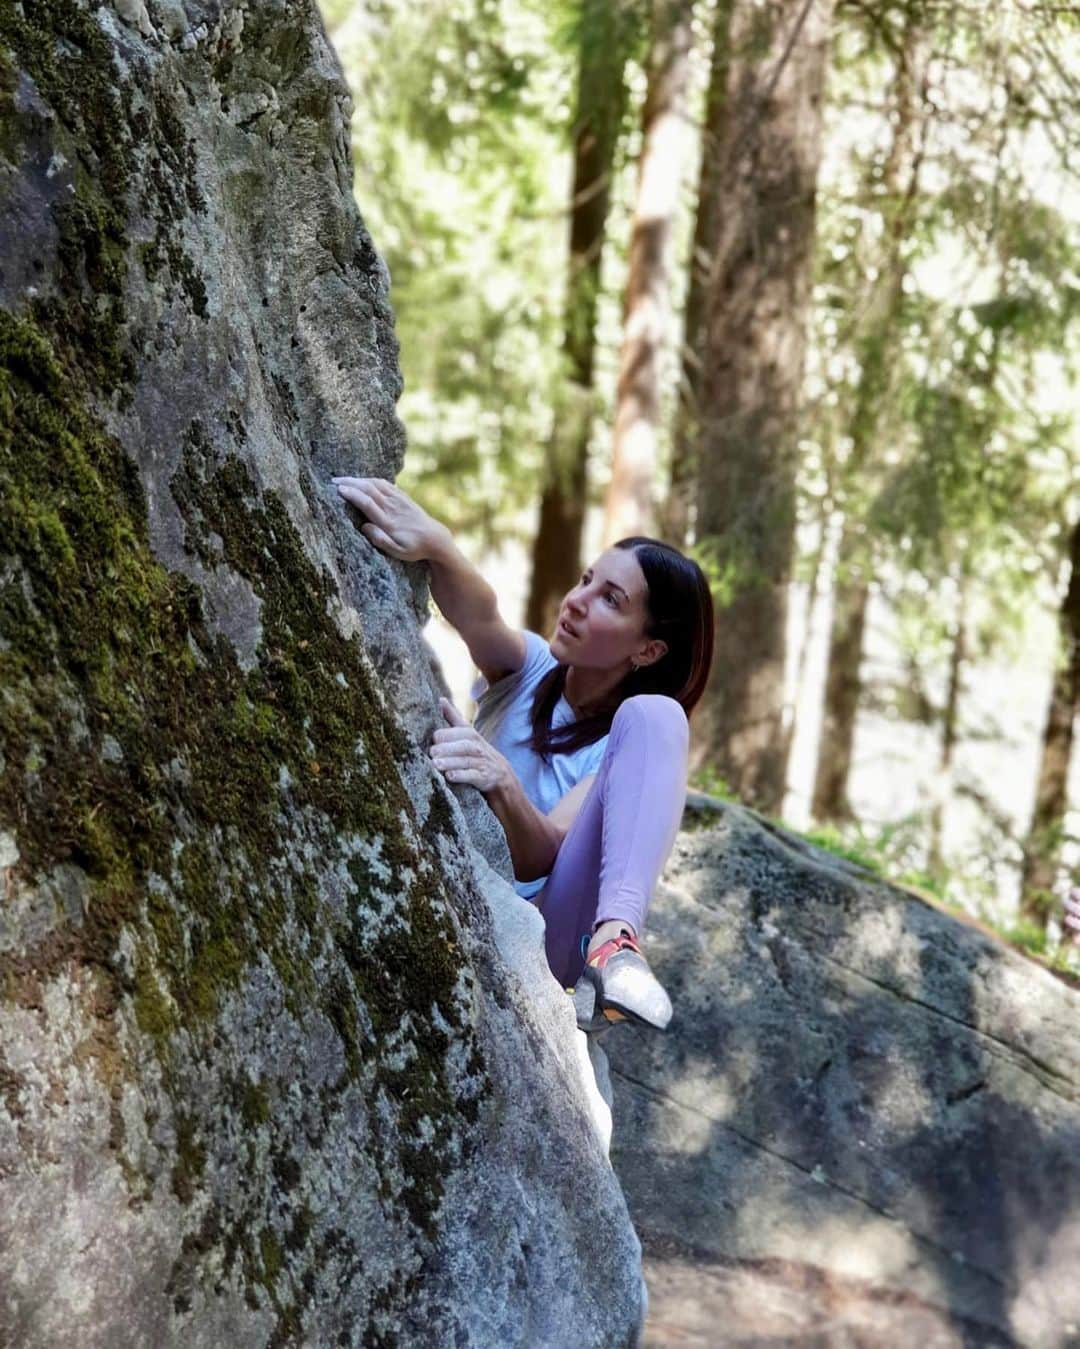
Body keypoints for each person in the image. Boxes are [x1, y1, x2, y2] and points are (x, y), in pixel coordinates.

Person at [332, 475, 715, 1032]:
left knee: (658, 715)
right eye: (587, 580)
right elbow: (481, 617)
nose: (577, 602)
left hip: (553, 938)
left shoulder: (625, 749)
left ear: (649, 649)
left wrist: (502, 783)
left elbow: (545, 856)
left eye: (610, 599)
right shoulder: (531, 672)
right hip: (458, 888)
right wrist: (437, 543)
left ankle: (616, 948)